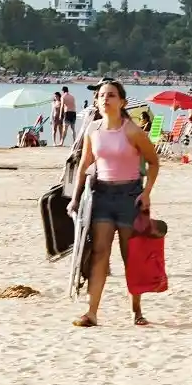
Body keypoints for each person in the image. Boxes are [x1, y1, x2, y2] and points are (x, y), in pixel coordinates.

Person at [68, 79, 160, 328]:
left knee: (131, 256)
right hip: (101, 195)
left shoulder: (132, 131)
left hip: (129, 196)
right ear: (96, 101)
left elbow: (153, 162)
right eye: (102, 96)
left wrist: (147, 192)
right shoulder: (92, 130)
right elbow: (84, 165)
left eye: (111, 95)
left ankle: (136, 310)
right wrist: (76, 198)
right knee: (99, 254)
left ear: (122, 102)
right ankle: (92, 312)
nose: (105, 99)